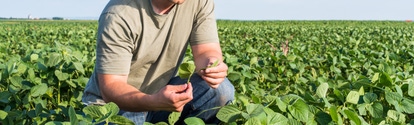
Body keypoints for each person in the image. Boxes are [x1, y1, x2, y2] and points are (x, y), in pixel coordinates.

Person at [81, 0, 235, 124]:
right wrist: (154, 101)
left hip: (162, 97)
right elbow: (111, 87)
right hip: (114, 109)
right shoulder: (119, 14)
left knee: (220, 89)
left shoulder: (199, 2)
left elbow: (205, 51)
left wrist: (212, 65)